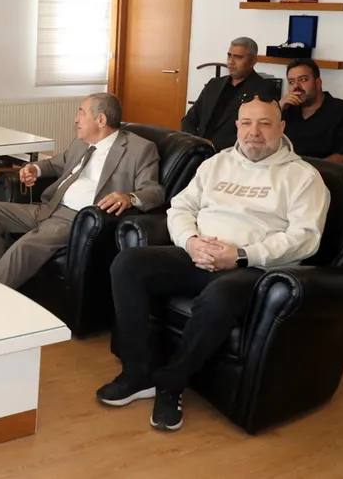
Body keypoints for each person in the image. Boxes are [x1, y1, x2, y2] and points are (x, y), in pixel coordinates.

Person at [98, 93, 330, 432]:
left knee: (219, 297)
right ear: (237, 126)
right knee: (128, 264)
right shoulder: (216, 163)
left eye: (264, 124)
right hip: (198, 253)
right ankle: (138, 374)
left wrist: (241, 254)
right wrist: (190, 242)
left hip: (252, 268)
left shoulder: (303, 177)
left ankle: (171, 383)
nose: (254, 132)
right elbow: (181, 207)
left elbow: (305, 238)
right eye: (247, 123)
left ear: (281, 127)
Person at [0, 93, 165, 289]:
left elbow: (155, 191)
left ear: (101, 120)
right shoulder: (81, 142)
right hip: (49, 208)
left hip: (75, 220)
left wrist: (129, 198)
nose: (76, 119)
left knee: (24, 247)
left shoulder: (139, 149)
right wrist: (34, 169)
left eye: (81, 113)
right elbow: (55, 163)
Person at [182, 37, 277, 151]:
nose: (231, 62)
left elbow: (258, 130)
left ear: (253, 61)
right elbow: (189, 119)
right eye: (229, 55)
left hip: (232, 153)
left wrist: (214, 145)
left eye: (238, 57)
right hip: (197, 149)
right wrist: (194, 141)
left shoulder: (263, 88)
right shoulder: (214, 84)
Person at [279, 58, 343, 163]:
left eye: (303, 79)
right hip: (285, 168)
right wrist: (278, 108)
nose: (296, 86)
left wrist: (306, 169)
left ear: (317, 83)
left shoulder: (342, 111)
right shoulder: (287, 109)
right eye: (291, 82)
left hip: (322, 171)